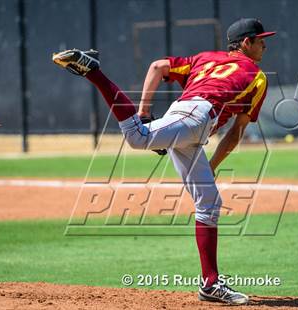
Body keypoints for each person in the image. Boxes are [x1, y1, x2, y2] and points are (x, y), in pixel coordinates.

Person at [53, 18, 275, 305]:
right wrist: (213, 164)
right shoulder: (257, 77)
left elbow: (158, 66)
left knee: (209, 203)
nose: (265, 45)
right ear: (247, 43)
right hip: (198, 116)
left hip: (189, 118)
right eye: (261, 40)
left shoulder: (205, 58)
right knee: (137, 137)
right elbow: (236, 132)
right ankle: (94, 72)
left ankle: (210, 284)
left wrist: (146, 111)